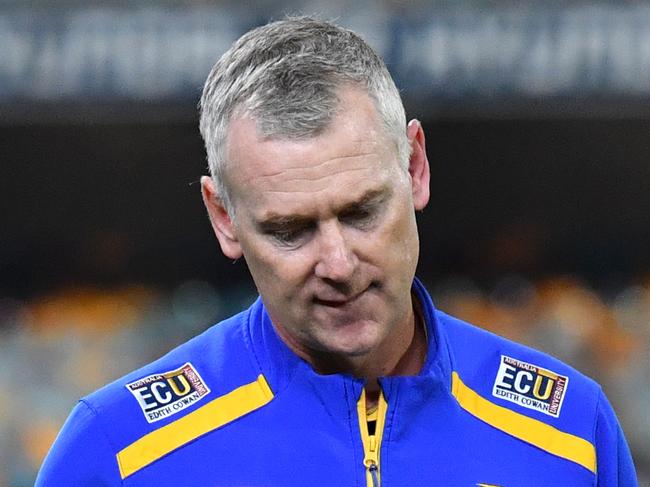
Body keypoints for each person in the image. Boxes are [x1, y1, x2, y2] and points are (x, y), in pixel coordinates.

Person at [37, 17, 637, 486]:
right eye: (290, 229)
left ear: (416, 167)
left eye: (361, 212)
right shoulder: (116, 451)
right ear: (223, 218)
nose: (340, 265)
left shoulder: (571, 431)